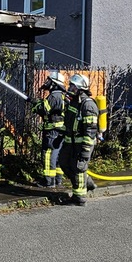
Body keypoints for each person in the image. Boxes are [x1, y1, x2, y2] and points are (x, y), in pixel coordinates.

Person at [59, 73, 98, 206]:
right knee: (64, 163)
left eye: (73, 86)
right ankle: (87, 182)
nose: (70, 88)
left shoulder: (88, 106)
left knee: (79, 168)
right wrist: (60, 137)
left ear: (80, 89)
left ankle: (79, 198)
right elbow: (68, 123)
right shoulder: (74, 103)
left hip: (82, 144)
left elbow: (90, 131)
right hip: (70, 142)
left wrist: (85, 151)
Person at [31, 71, 67, 187]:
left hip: (52, 131)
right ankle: (58, 180)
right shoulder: (62, 95)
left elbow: (43, 110)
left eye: (49, 81)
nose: (47, 83)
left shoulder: (54, 95)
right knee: (57, 155)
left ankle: (48, 181)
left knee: (48, 155)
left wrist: (35, 104)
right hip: (60, 130)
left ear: (54, 83)